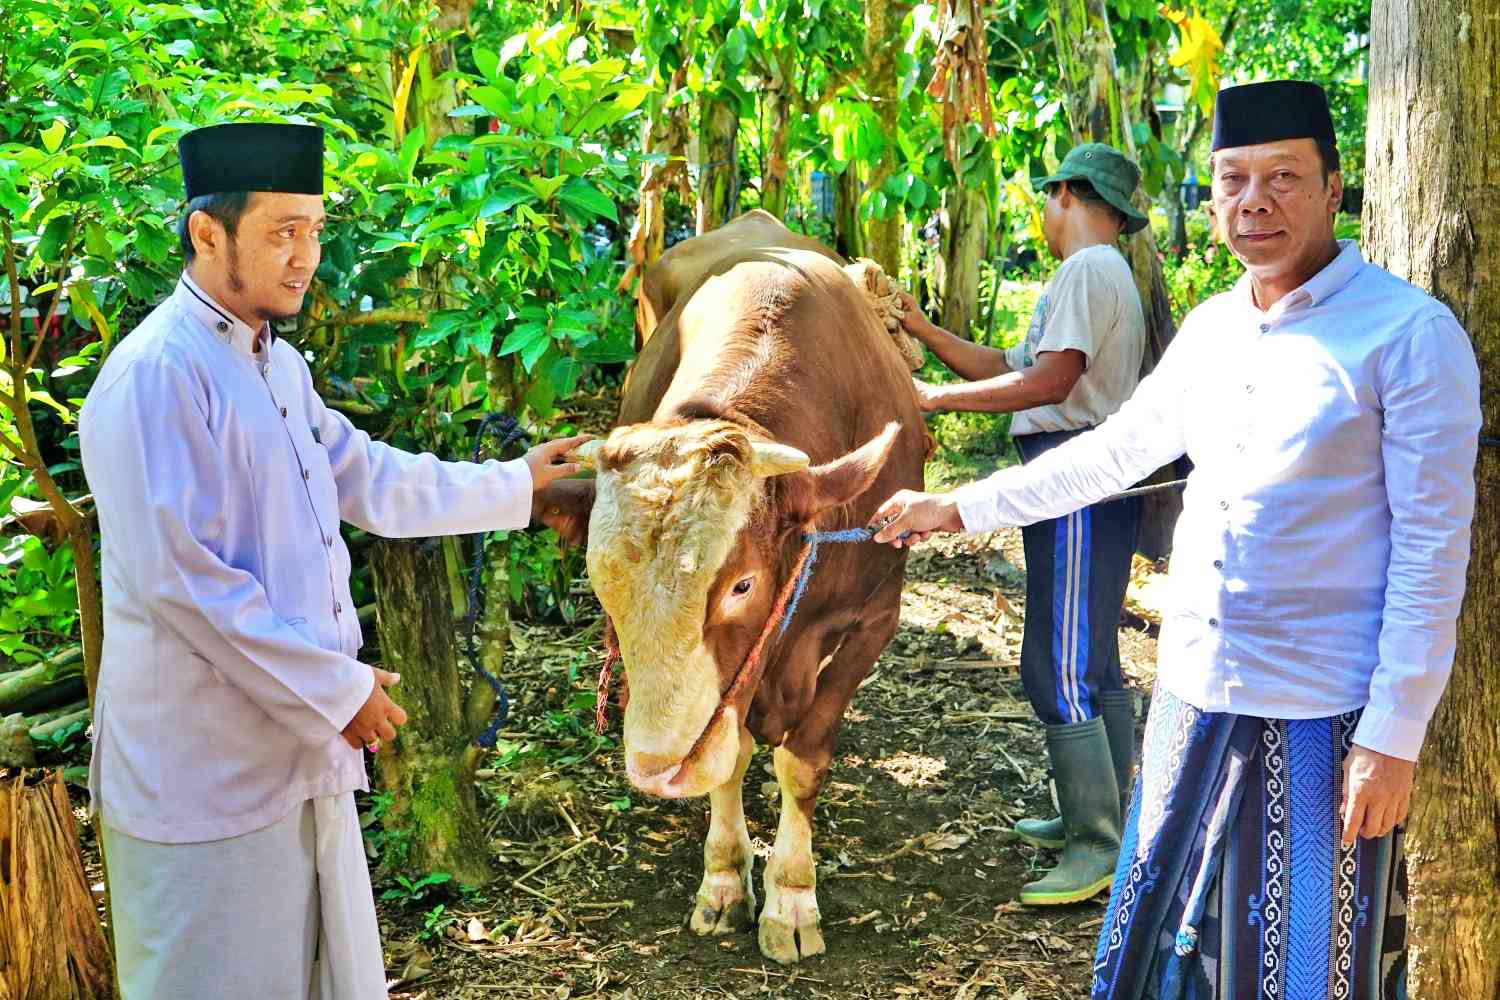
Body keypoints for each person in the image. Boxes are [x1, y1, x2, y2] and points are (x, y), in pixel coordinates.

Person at [870, 80, 1479, 998]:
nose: (1255, 201)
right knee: (1164, 944)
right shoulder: (1213, 329)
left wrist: (1392, 736)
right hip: (1193, 688)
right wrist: (959, 506)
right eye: (1233, 180)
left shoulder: (1407, 335)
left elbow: (1435, 550)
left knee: (1299, 965)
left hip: (1320, 708)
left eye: (1283, 176)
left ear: (1333, 187)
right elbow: (1113, 452)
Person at [78, 122, 589, 1000]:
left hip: (293, 759)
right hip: (203, 782)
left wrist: (517, 486)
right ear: (208, 235)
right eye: (282, 231)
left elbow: (368, 476)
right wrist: (338, 690)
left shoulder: (278, 366)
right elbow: (184, 585)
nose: (306, 256)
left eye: (315, 229)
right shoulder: (156, 376)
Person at [899, 142, 1150, 906]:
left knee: (1058, 662)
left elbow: (1050, 381)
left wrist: (932, 402)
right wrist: (926, 332)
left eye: (1048, 199)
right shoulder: (1105, 275)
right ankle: (1108, 811)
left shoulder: (1088, 269)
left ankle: (1096, 845)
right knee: (1094, 656)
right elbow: (1011, 359)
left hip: (1074, 478)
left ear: (1069, 195)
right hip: (1092, 481)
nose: (1043, 215)